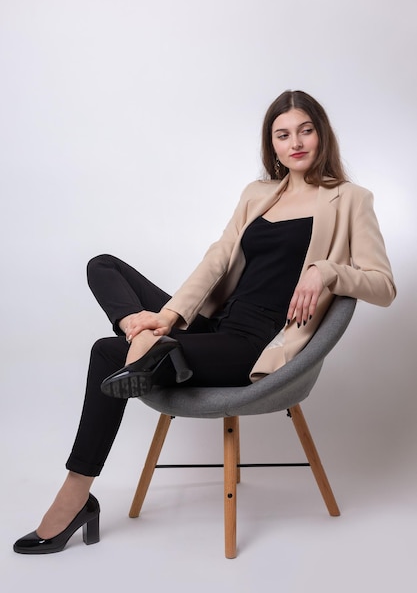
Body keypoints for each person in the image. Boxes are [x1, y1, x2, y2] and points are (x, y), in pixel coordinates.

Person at [13, 90, 396, 554]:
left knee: (103, 352)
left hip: (257, 344)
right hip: (213, 329)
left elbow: (383, 285)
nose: (295, 142)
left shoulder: (351, 199)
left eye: (305, 130)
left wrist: (326, 270)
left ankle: (74, 496)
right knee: (103, 265)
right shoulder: (257, 195)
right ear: (271, 144)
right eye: (283, 134)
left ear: (322, 134)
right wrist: (167, 316)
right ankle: (147, 341)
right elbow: (217, 261)